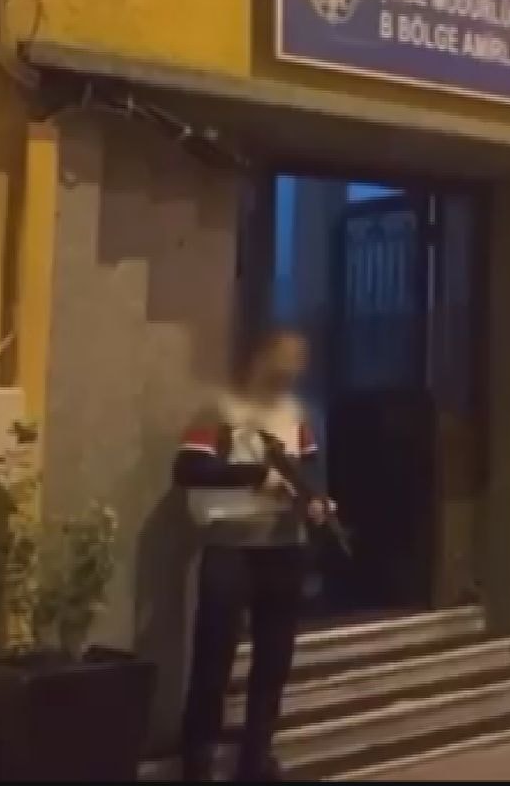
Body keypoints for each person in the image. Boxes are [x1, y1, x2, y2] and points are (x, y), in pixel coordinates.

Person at [176, 327, 332, 782]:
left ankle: (256, 758)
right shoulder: (220, 410)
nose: (292, 369)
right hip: (230, 546)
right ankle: (198, 759)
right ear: (259, 358)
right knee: (214, 659)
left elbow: (310, 470)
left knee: (274, 661)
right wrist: (254, 475)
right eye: (284, 358)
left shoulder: (296, 415)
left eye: (299, 360)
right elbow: (189, 468)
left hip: (284, 548)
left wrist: (318, 501)